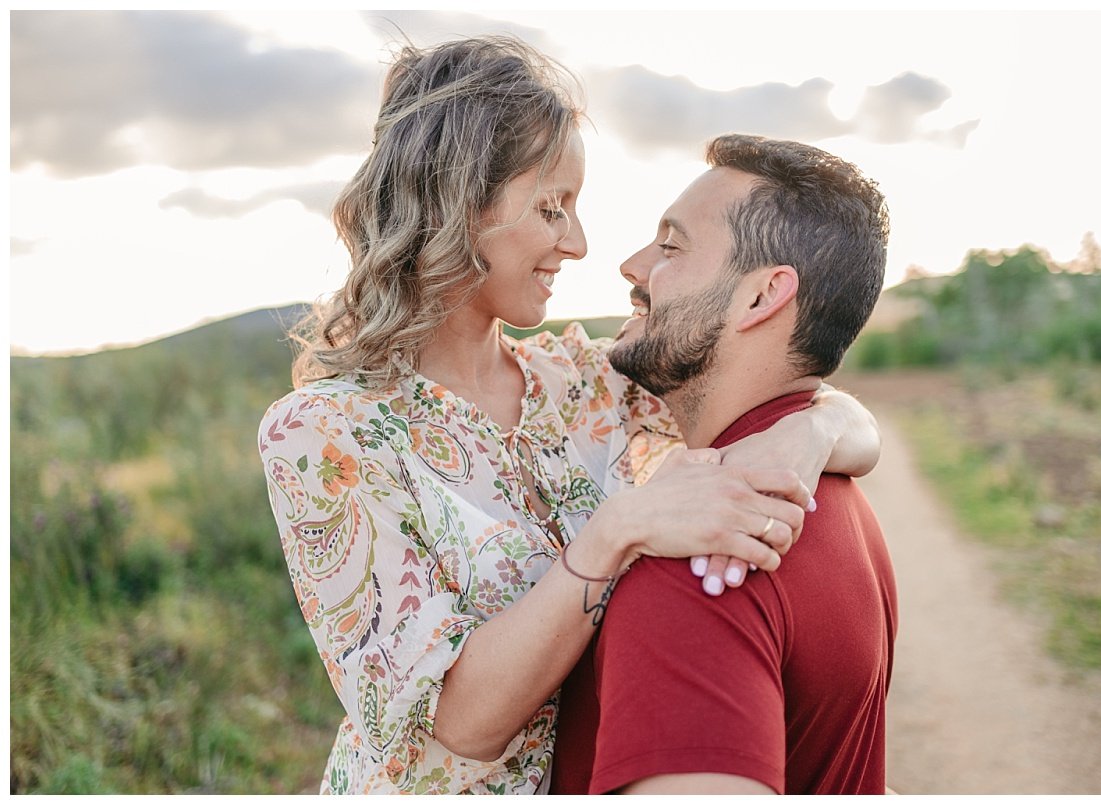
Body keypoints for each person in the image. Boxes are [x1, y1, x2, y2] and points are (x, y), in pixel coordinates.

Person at [258, 37, 881, 795]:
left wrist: (808, 432)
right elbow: (462, 722)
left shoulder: (585, 380)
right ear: (456, 203)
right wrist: (617, 530)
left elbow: (783, 384)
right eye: (552, 208)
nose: (579, 244)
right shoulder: (320, 435)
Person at [551, 134, 897, 795]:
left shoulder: (704, 564)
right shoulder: (837, 494)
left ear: (762, 297)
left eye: (671, 247)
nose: (631, 265)